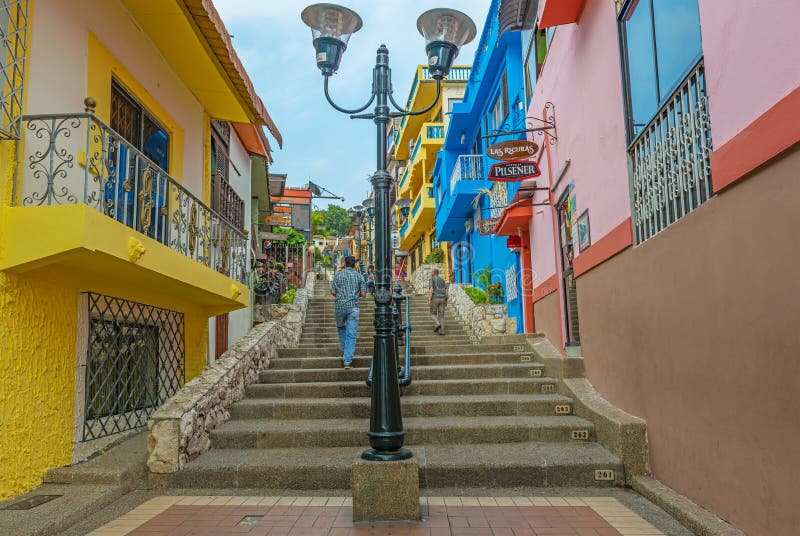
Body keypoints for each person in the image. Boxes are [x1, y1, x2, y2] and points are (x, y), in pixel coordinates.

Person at [331, 255, 367, 369]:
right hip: (353, 308)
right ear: (355, 265)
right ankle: (347, 361)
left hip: (340, 307)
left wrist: (341, 295)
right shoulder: (359, 276)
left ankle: (345, 352)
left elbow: (332, 291)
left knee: (341, 329)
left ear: (345, 264)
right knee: (351, 334)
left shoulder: (338, 275)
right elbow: (363, 294)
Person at [428, 268, 449, 335]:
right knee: (441, 316)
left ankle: (437, 324)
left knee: (432, 313)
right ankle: (442, 331)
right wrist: (446, 300)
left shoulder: (432, 279)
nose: (431, 273)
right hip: (443, 299)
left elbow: (431, 289)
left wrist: (429, 300)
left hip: (435, 298)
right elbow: (446, 292)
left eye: (431, 272)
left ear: (434, 273)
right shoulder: (443, 280)